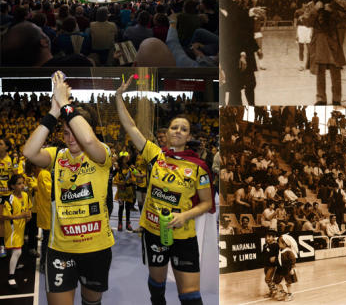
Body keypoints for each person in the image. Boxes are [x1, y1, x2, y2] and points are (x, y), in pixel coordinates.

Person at [115, 75, 212, 305]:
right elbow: (130, 126)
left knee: (190, 296)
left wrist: (185, 215)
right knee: (157, 289)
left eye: (184, 129)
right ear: (167, 133)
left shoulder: (198, 167)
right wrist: (119, 96)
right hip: (154, 232)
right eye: (174, 127)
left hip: (184, 236)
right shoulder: (155, 155)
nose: (178, 131)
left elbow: (206, 203)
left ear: (189, 136)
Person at [23, 71, 114, 305]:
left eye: (75, 133)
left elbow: (90, 141)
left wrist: (65, 103)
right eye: (65, 133)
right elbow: (29, 152)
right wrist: (54, 111)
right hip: (60, 248)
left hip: (96, 247)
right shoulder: (57, 155)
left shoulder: (101, 153)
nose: (70, 139)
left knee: (91, 301)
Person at [299, 0, 346, 105]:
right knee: (320, 72)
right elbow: (306, 22)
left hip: (333, 40)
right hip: (319, 40)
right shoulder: (311, 5)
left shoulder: (333, 3)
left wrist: (332, 11)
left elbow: (342, 18)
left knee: (336, 73)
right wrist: (315, 10)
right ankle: (321, 98)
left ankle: (336, 98)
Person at [4, 174, 31, 289]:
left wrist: (28, 215)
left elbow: (29, 208)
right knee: (17, 251)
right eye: (19, 184)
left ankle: (15, 264)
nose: (22, 186)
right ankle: (11, 277)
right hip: (12, 229)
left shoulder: (25, 195)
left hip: (21, 227)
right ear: (12, 186)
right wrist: (21, 215)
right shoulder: (9, 199)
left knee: (16, 250)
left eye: (22, 183)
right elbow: (6, 216)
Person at [273, 234, 298, 302]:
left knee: (288, 282)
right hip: (280, 269)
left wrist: (292, 268)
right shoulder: (280, 250)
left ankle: (290, 294)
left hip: (287, 269)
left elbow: (293, 260)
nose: (278, 244)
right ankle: (282, 292)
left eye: (279, 243)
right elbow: (279, 259)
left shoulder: (288, 252)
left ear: (285, 244)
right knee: (276, 281)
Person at [261, 230, 279, 298]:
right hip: (266, 265)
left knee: (267, 279)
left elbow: (278, 254)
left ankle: (275, 290)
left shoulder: (276, 245)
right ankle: (271, 291)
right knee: (269, 280)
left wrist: (275, 257)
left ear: (273, 237)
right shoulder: (265, 245)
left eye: (269, 236)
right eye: (266, 237)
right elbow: (263, 254)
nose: (267, 238)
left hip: (272, 266)